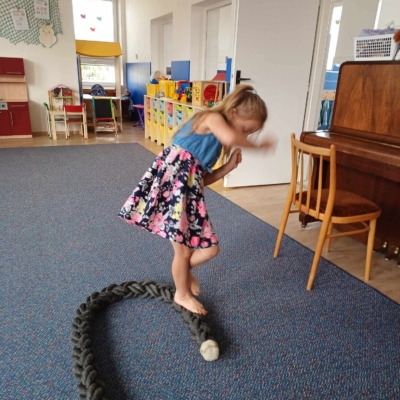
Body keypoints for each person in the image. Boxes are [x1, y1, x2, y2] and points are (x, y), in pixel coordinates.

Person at [118, 84, 275, 315]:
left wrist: (228, 167)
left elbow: (200, 180)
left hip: (188, 197)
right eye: (245, 129)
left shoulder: (216, 145)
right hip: (172, 194)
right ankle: (181, 294)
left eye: (249, 133)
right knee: (183, 253)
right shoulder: (210, 118)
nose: (244, 136)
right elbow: (230, 135)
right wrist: (260, 146)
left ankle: (182, 272)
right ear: (233, 113)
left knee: (210, 250)